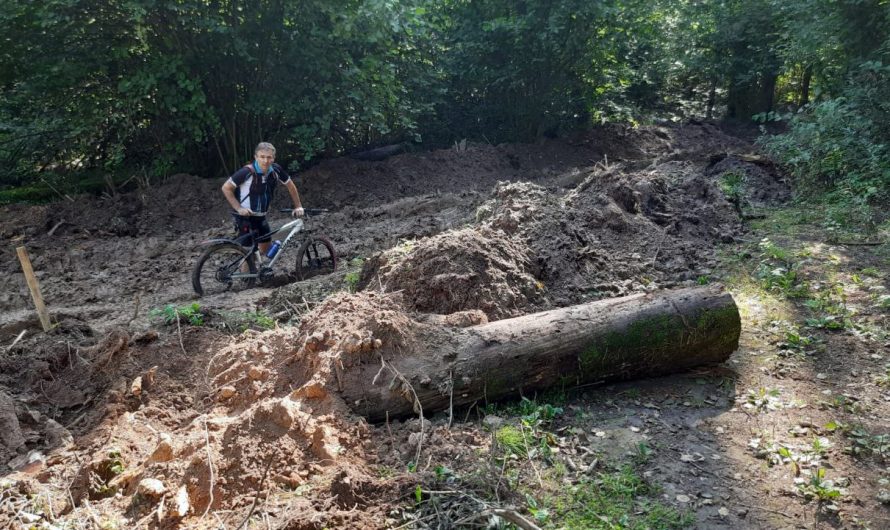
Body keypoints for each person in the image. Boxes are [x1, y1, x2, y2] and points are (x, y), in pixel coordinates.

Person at [221, 142, 304, 258]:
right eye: (262, 157)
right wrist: (239, 208)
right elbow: (226, 188)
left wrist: (298, 205)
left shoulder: (276, 170)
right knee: (248, 254)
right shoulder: (247, 172)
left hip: (261, 217)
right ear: (256, 157)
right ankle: (246, 275)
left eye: (269, 157)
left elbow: (290, 185)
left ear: (274, 158)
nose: (265, 161)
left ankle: (258, 271)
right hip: (246, 218)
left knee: (265, 247)